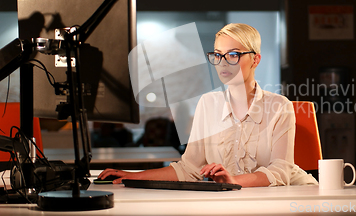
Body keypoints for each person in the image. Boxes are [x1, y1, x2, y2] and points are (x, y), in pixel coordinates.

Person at [99, 23, 318, 187]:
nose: (223, 62)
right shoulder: (208, 103)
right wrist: (130, 175)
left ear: (255, 59)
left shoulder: (280, 105)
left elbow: (280, 172)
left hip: (290, 196)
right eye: (218, 54)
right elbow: (189, 169)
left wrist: (233, 180)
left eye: (233, 55)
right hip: (234, 200)